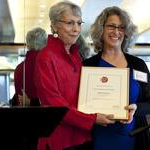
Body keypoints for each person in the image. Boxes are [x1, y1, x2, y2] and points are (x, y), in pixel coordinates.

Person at [34, 1, 114, 150]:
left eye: (79, 23)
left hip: (82, 136)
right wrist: (93, 118)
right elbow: (55, 105)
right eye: (70, 23)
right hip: (59, 139)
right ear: (55, 25)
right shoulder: (45, 57)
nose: (76, 29)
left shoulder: (76, 56)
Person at [83, 6, 150, 150]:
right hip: (98, 137)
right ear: (101, 29)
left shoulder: (138, 65)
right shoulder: (87, 66)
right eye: (111, 26)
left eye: (121, 27)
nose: (116, 32)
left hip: (132, 137)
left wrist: (136, 108)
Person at [13, 27, 47, 106]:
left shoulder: (19, 68)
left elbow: (19, 100)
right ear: (45, 44)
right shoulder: (46, 66)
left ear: (27, 44)